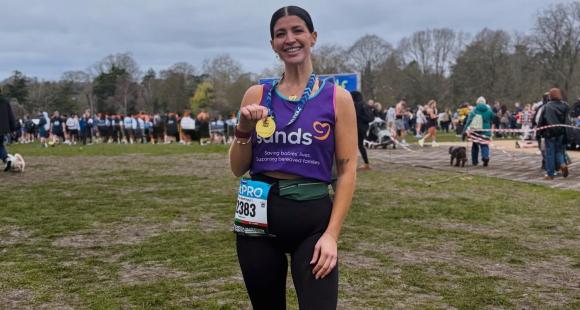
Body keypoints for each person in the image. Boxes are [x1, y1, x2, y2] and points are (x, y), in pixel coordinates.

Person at [228, 6, 357, 309]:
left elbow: (347, 170)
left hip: (312, 223)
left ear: (312, 37)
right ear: (272, 44)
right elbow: (237, 168)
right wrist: (244, 129)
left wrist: (332, 236)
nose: (290, 39)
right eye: (280, 34)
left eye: (297, 30)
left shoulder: (337, 98)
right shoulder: (255, 94)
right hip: (257, 220)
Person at [538, 88, 570, 180]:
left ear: (550, 96)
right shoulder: (565, 106)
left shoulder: (547, 106)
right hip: (561, 132)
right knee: (559, 151)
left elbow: (541, 120)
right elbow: (567, 119)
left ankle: (550, 174)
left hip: (549, 132)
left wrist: (539, 132)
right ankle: (562, 164)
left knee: (550, 153)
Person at [464, 97, 495, 166]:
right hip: (486, 130)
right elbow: (493, 117)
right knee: (485, 145)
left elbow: (469, 121)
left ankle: (475, 161)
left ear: (477, 102)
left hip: (476, 130)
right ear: (484, 102)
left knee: (475, 146)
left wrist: (465, 130)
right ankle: (485, 157)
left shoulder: (474, 110)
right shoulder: (489, 110)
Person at [352, 90, 373, 170]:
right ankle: (366, 163)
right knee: (360, 146)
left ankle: (352, 164)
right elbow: (371, 118)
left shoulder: (356, 105)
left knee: (354, 146)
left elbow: (354, 116)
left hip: (357, 128)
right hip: (364, 128)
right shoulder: (365, 105)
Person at [0, 90, 17, 171]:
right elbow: (11, 116)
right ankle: (7, 159)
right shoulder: (5, 101)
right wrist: (13, 128)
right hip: (2, 129)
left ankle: (7, 159)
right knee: (0, 145)